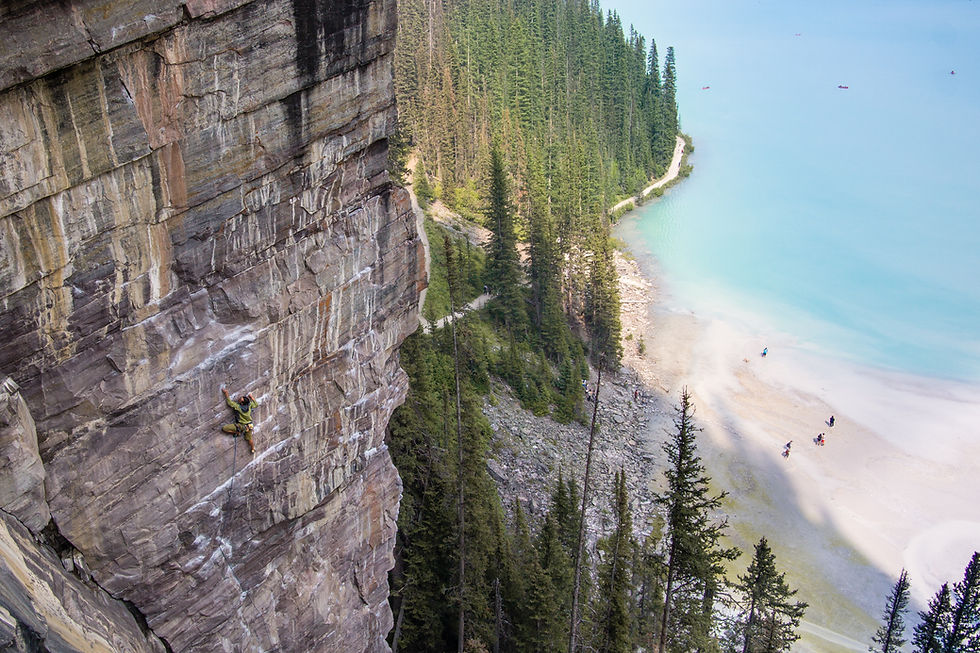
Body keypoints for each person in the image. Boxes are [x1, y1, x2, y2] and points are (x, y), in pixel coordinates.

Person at [222, 387, 257, 454]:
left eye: (240, 399)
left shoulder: (238, 407)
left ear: (242, 403)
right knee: (249, 439)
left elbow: (230, 403)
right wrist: (251, 397)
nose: (239, 398)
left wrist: (226, 393)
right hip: (249, 425)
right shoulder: (249, 405)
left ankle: (237, 433)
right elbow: (256, 404)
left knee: (224, 428)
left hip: (241, 425)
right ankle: (252, 449)